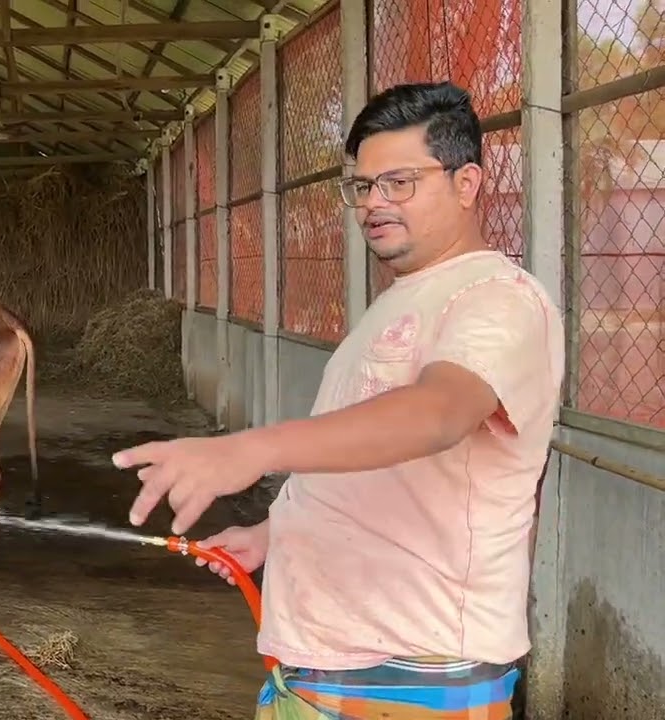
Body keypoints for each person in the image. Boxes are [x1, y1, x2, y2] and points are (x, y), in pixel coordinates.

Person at [112, 81, 563, 719]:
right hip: (339, 665)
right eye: (363, 186)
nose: (374, 203)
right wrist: (276, 532)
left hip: (411, 675)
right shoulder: (405, 298)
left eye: (399, 183)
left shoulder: (496, 299)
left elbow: (438, 414)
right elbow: (384, 467)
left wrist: (250, 449)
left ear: (467, 184)